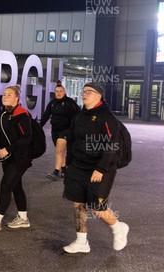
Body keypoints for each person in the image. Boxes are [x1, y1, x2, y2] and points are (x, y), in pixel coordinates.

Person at [60, 82, 129, 253]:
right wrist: (67, 163)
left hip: (100, 169)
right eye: (83, 92)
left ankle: (118, 227)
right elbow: (73, 139)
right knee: (78, 204)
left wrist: (100, 169)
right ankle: (81, 241)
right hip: (77, 166)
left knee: (98, 209)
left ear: (99, 96)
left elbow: (112, 146)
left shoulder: (107, 117)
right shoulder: (79, 115)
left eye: (89, 92)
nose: (84, 94)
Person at [0, 85, 32, 231]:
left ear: (17, 98)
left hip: (21, 158)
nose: (5, 96)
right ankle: (23, 218)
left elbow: (27, 138)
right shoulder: (2, 114)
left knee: (6, 185)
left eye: (9, 94)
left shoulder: (22, 115)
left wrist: (8, 149)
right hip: (7, 157)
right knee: (16, 186)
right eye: (4, 94)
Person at [40, 82, 79, 180]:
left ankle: (56, 172)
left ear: (64, 92)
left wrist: (73, 128)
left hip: (66, 130)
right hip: (55, 130)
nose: (58, 93)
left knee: (59, 150)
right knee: (60, 151)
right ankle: (64, 170)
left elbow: (78, 114)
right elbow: (45, 116)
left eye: (61, 91)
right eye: (57, 91)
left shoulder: (70, 102)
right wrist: (38, 127)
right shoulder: (52, 103)